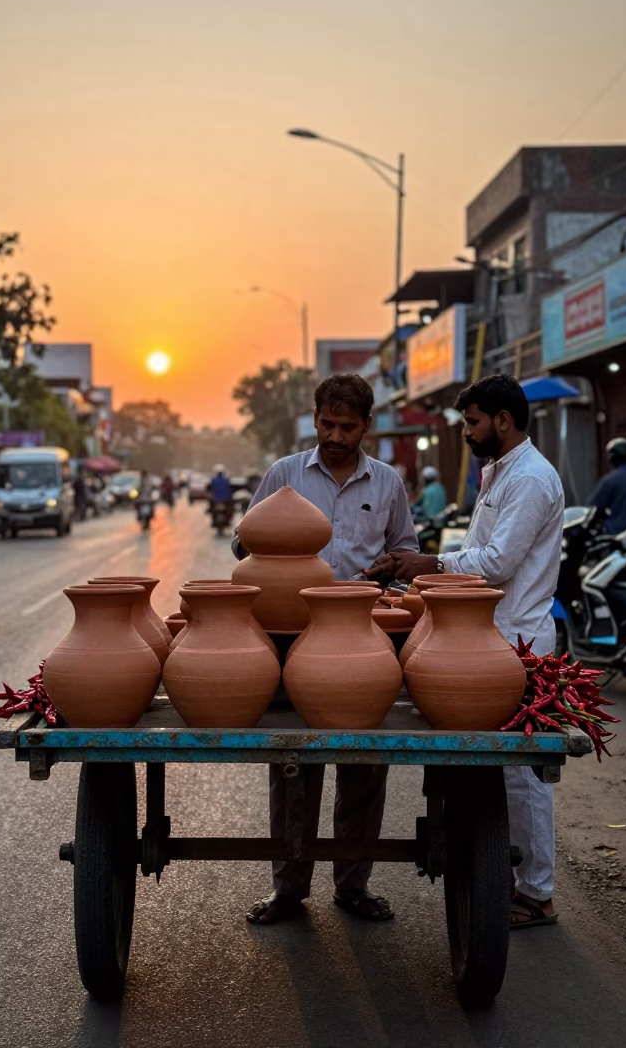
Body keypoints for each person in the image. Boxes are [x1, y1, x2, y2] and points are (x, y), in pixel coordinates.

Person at [378, 373, 564, 930]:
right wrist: (423, 564)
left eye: (473, 422)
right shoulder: (499, 471)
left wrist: (431, 564)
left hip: (518, 639)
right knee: (493, 774)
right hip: (488, 637)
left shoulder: (530, 478)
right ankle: (502, 880)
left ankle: (537, 894)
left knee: (519, 777)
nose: (466, 432)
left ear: (503, 421)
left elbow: (498, 562)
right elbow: (478, 550)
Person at [236, 372, 419, 926]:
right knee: (291, 758)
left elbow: (406, 551)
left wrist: (393, 566)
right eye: (327, 424)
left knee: (365, 760)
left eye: (348, 426)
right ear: (314, 420)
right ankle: (288, 889)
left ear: (367, 425)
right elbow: (245, 543)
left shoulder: (387, 482)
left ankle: (352, 886)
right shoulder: (284, 474)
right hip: (291, 635)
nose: (336, 436)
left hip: (362, 633)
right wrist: (271, 545)